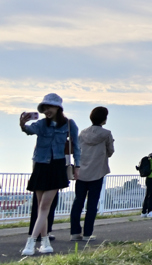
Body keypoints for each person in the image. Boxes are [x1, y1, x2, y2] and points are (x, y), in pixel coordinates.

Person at [19, 93, 80, 256]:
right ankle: (45, 243)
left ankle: (31, 242)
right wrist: (23, 124)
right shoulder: (41, 124)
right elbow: (29, 131)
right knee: (41, 208)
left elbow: (77, 146)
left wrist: (77, 166)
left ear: (58, 108)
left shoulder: (68, 124)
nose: (47, 110)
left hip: (57, 166)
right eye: (45, 108)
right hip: (41, 165)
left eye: (50, 107)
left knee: (45, 206)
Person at [70, 106, 113, 242]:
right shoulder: (106, 134)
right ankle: (88, 234)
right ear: (104, 119)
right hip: (97, 172)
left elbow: (76, 148)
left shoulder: (82, 133)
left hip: (81, 172)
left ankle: (74, 233)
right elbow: (110, 151)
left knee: (78, 202)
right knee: (92, 204)